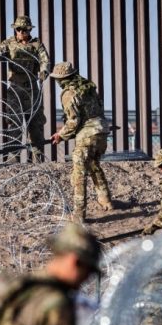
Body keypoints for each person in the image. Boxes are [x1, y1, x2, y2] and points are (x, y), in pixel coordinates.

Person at [49, 61, 113, 222]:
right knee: (93, 165)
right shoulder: (88, 87)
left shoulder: (68, 93)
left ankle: (78, 215)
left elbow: (73, 121)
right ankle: (106, 200)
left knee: (79, 173)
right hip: (102, 130)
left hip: (87, 134)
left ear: (61, 79)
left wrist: (60, 135)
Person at [0, 15, 50, 162]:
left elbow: (45, 61)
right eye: (18, 29)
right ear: (15, 30)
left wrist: (43, 72)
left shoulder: (37, 45)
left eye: (25, 29)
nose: (21, 32)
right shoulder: (8, 43)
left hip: (31, 89)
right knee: (14, 123)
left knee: (35, 123)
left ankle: (37, 157)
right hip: (15, 88)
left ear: (29, 30)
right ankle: (14, 157)